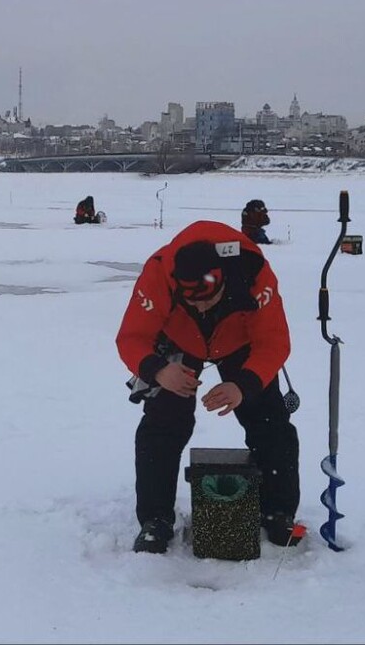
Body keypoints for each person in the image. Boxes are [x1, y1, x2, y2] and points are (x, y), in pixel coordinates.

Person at [116, 220, 299, 554]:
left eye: (206, 299)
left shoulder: (255, 274)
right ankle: (155, 520)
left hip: (239, 338)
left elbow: (273, 342)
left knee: (268, 421)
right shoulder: (159, 273)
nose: (200, 307)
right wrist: (158, 371)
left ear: (223, 280)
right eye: (192, 300)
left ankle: (278, 512)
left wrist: (243, 384)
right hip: (179, 338)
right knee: (164, 424)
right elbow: (131, 337)